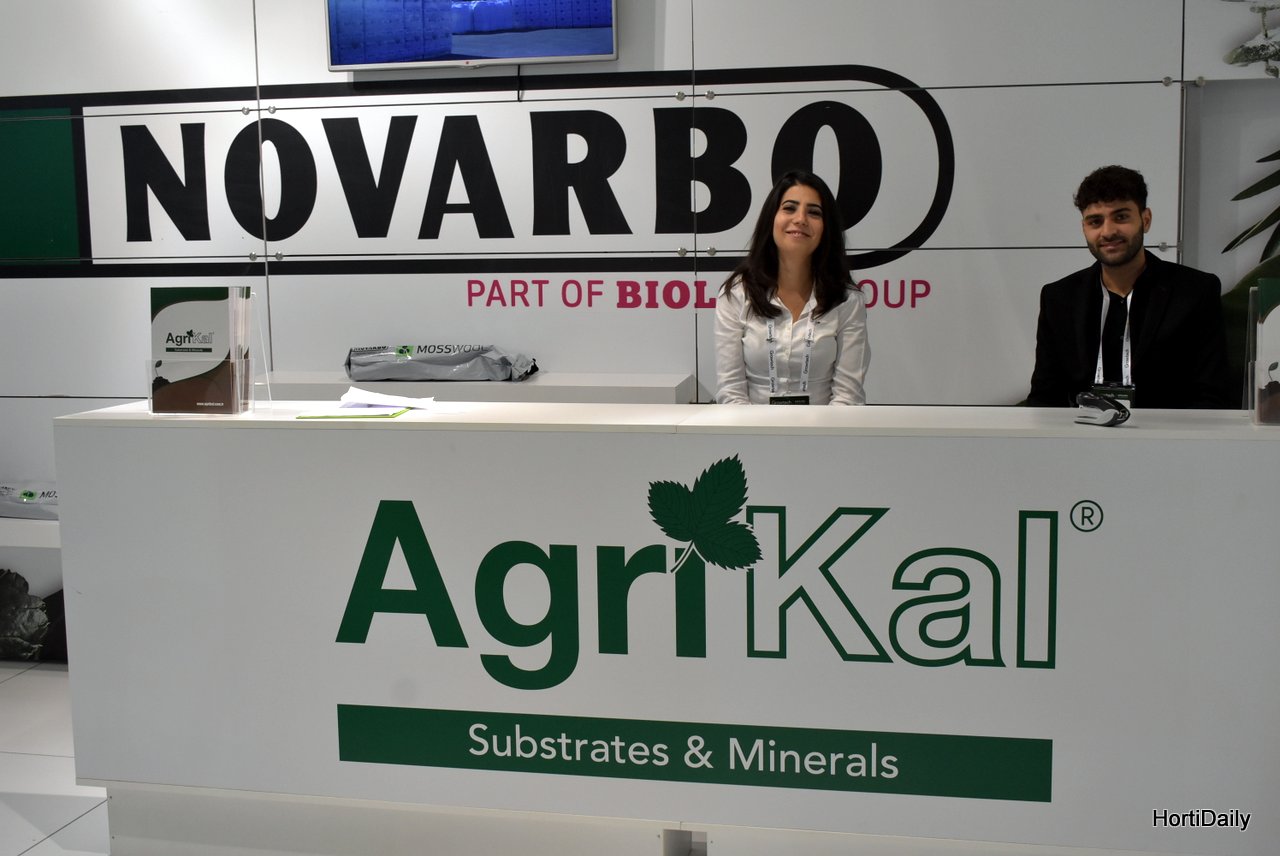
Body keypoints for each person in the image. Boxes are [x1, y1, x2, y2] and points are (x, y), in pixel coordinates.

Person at [1026, 165, 1235, 409]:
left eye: (1121, 217)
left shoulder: (1195, 292)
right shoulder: (1059, 298)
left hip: (1170, 431)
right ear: (1084, 228)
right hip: (1083, 431)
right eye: (1095, 221)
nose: (1108, 231)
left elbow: (1212, 395)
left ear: (1145, 220)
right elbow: (1044, 398)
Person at [715, 170, 870, 405]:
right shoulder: (736, 295)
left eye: (814, 212)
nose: (800, 219)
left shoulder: (847, 300)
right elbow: (731, 392)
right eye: (789, 208)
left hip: (825, 427)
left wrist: (816, 431)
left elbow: (847, 397)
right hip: (750, 427)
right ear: (772, 218)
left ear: (826, 228)